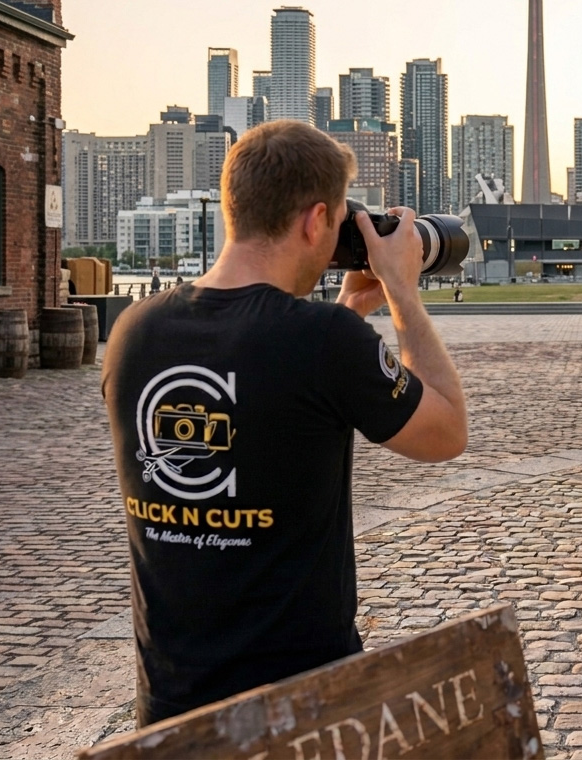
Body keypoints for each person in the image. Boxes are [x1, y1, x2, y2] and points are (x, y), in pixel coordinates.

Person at [102, 120, 468, 726]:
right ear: (315, 220)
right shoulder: (323, 342)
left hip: (171, 709)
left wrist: (350, 308)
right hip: (302, 709)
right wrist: (402, 291)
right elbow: (447, 430)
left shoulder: (133, 332)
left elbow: (273, 399)